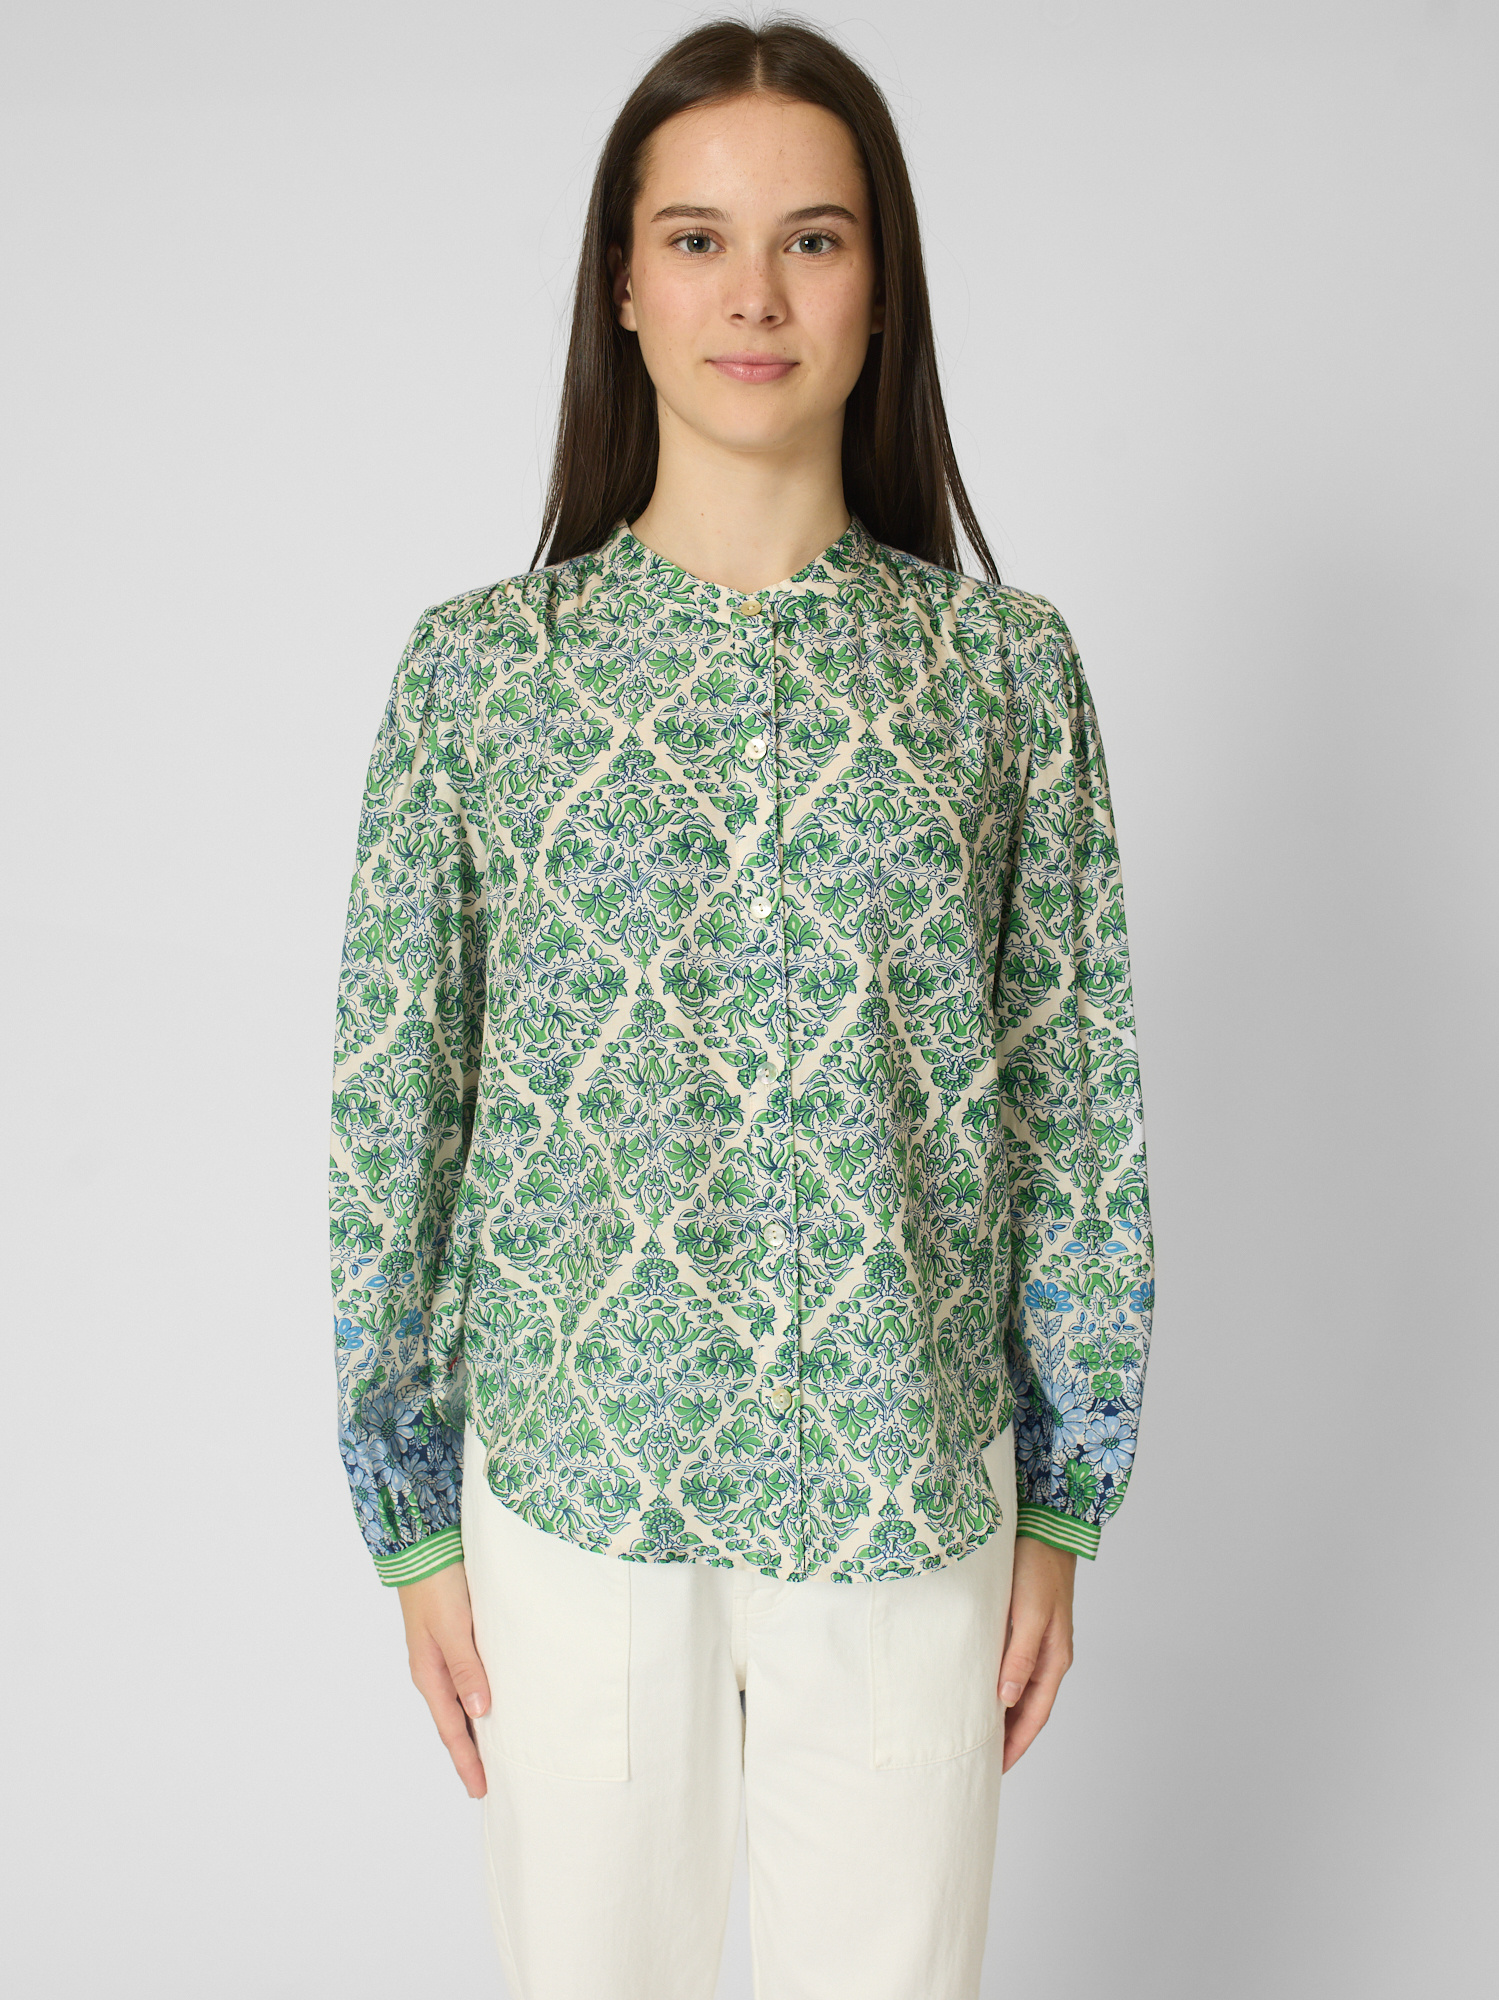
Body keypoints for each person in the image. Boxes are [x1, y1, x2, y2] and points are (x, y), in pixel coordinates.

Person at [328, 15, 1154, 1998]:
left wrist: (1064, 1512)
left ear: (883, 283)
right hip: (577, 1491)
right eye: (697, 240)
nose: (755, 295)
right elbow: (392, 1108)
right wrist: (412, 1521)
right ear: (624, 285)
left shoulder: (1004, 678)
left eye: (814, 239)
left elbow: (1079, 1110)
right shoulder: (480, 679)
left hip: (905, 1485)